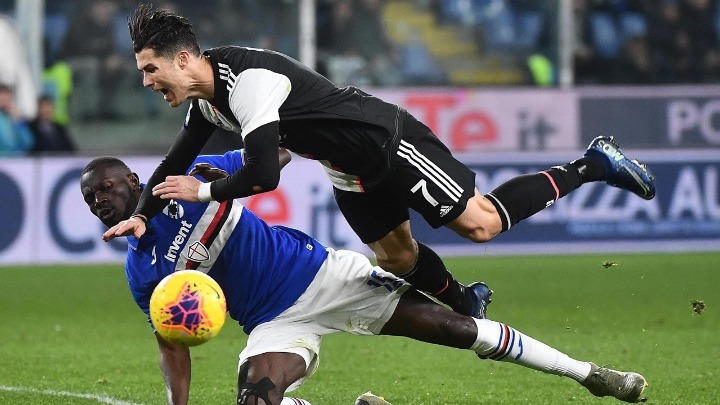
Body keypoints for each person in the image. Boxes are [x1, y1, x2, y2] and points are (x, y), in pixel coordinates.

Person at [104, 4, 656, 321]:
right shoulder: (205, 101)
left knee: (480, 224)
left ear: (183, 59)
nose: (147, 82)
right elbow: (173, 162)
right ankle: (466, 301)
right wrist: (143, 215)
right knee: (397, 258)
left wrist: (202, 192)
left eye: (151, 70)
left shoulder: (247, 82)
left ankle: (593, 163)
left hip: (385, 143)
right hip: (348, 170)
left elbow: (266, 174)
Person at [81, 150, 648, 405]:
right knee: (255, 402)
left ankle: (592, 375)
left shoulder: (188, 183)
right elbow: (171, 344)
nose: (100, 200)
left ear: (134, 181)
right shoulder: (142, 272)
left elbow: (275, 157)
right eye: (90, 199)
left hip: (328, 277)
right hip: (272, 323)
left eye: (106, 187)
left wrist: (233, 175)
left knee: (457, 329)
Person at [0, 83, 34, 156]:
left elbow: (28, 142)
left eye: (7, 98)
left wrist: (19, 121)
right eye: (2, 98)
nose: (5, 100)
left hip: (15, 160)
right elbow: (7, 144)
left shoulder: (15, 117)